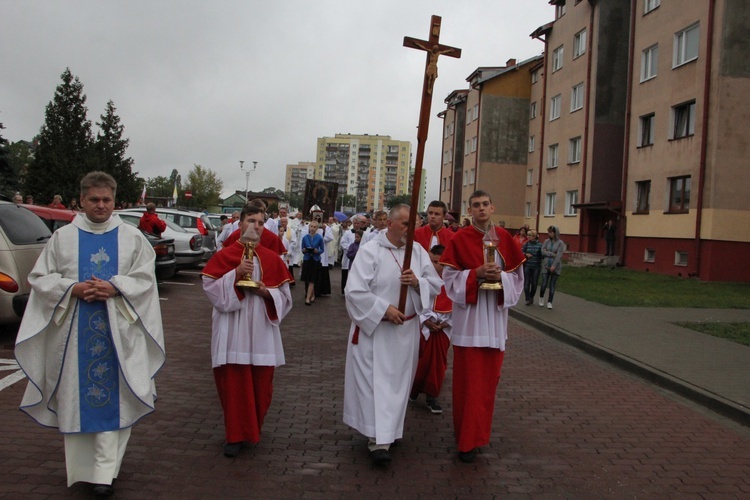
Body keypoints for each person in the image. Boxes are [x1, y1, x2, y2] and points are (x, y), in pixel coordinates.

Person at [15, 171, 165, 497]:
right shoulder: (63, 238)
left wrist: (115, 287)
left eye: (106, 200)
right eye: (94, 199)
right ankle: (85, 470)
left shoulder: (131, 238)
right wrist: (73, 288)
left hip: (119, 335)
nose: (101, 205)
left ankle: (105, 474)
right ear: (81, 200)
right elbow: (40, 278)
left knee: (117, 399)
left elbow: (144, 279)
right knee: (76, 399)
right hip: (74, 335)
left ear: (115, 201)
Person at [343, 204, 442, 466]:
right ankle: (377, 440)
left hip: (404, 332)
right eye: (406, 224)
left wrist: (418, 283)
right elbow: (354, 291)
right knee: (376, 385)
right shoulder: (370, 252)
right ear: (390, 224)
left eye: (415, 224)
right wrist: (384, 309)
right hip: (376, 331)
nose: (412, 230)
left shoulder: (418, 252)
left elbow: (435, 286)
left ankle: (389, 431)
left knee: (398, 386)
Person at [440, 190, 525, 463]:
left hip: (495, 324)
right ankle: (465, 440)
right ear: (469, 210)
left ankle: (477, 436)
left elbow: (518, 278)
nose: (481, 209)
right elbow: (450, 278)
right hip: (469, 323)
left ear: (493, 206)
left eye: (485, 204)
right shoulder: (460, 239)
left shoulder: (505, 238)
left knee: (487, 385)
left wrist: (502, 279)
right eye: (476, 205)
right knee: (468, 385)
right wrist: (475, 274)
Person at [201, 205, 293, 457]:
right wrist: (235, 274)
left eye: (261, 223)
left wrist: (265, 292)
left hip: (262, 329)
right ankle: (235, 434)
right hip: (232, 328)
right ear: (240, 224)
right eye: (251, 221)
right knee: (233, 382)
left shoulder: (272, 258)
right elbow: (210, 290)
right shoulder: (226, 256)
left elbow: (285, 299)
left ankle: (252, 428)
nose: (255, 226)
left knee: (261, 384)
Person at [409, 244, 452, 415]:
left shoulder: (451, 281)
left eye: (440, 262)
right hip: (424, 327)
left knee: (437, 364)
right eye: (433, 261)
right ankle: (414, 388)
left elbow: (458, 304)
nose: (436, 266)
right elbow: (416, 302)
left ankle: (432, 395)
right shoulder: (422, 279)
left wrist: (446, 323)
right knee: (420, 360)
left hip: (442, 330)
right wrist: (425, 320)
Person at [539, 225, 565, 310]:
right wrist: (551, 254)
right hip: (546, 265)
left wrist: (554, 266)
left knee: (552, 285)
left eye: (551, 232)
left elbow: (558, 256)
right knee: (544, 284)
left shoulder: (560, 243)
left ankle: (550, 301)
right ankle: (541, 297)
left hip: (555, 267)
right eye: (548, 232)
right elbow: (542, 251)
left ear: (555, 233)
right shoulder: (546, 241)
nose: (549, 234)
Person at [300, 220, 324, 306]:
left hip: (315, 259)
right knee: (307, 278)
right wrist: (304, 250)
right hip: (307, 259)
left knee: (312, 279)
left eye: (314, 227)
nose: (312, 229)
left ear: (317, 228)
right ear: (309, 227)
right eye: (311, 226)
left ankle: (307, 298)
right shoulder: (305, 237)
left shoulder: (319, 238)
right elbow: (302, 248)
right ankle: (312, 295)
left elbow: (322, 249)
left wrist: (317, 251)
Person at [521, 229, 543, 305]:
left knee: (534, 283)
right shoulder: (526, 244)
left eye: (530, 235)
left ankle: (531, 296)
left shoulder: (540, 245)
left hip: (536, 266)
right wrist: (525, 254)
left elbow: (542, 255)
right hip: (527, 266)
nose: (528, 236)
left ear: (534, 236)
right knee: (526, 283)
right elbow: (521, 251)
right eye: (527, 235)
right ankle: (527, 298)